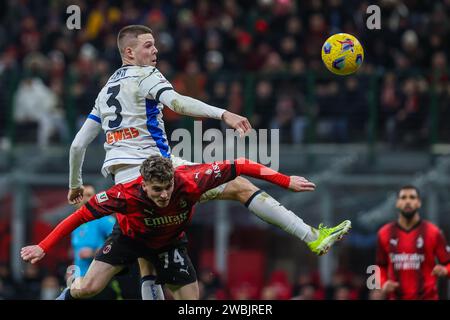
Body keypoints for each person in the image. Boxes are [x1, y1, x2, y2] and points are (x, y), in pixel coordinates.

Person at [67, 24, 350, 299]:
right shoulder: (146, 76)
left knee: (145, 252)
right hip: (158, 174)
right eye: (148, 45)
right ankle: (310, 235)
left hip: (125, 186)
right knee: (240, 185)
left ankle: (72, 289)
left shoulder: (105, 92)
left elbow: (78, 144)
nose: (155, 51)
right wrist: (224, 114)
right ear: (129, 52)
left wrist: (75, 185)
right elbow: (177, 103)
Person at [21, 155, 351, 300]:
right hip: (130, 240)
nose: (163, 195)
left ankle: (311, 236)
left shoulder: (191, 181)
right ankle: (69, 286)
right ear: (144, 184)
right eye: (156, 190)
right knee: (88, 289)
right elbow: (77, 217)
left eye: (167, 188)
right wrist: (43, 247)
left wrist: (285, 180)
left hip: (169, 243)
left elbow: (241, 165)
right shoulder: (124, 194)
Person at [376, 185, 450, 300]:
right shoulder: (384, 233)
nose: (408, 201)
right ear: (397, 203)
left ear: (419, 202)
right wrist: (383, 283)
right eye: (403, 198)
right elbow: (380, 265)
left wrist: (445, 270)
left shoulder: (433, 232)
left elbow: (448, 263)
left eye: (412, 197)